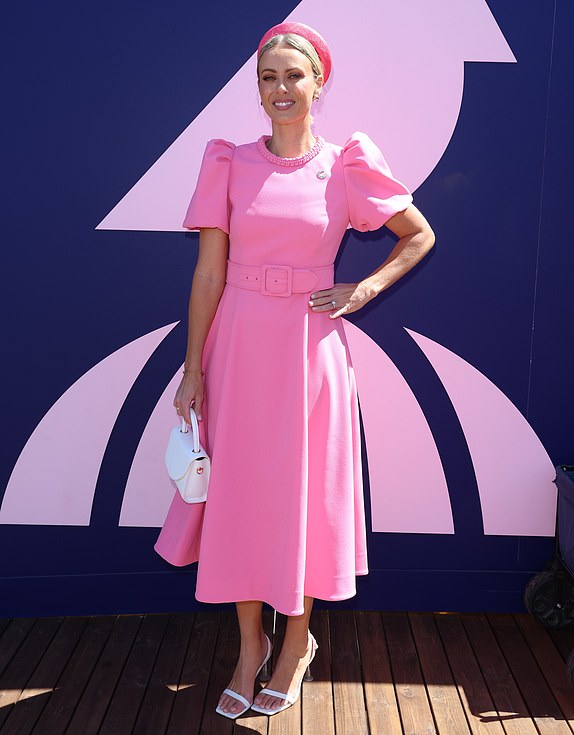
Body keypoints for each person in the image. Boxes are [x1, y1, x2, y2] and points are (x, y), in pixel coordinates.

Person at [155, 21, 435, 719]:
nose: (281, 89)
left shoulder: (345, 165)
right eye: (268, 78)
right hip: (238, 348)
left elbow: (418, 235)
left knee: (302, 505)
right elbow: (209, 272)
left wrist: (362, 289)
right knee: (244, 501)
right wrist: (192, 369)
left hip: (310, 355)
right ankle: (250, 646)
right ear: (258, 89)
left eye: (293, 76)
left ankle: (296, 644)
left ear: (318, 83)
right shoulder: (227, 161)